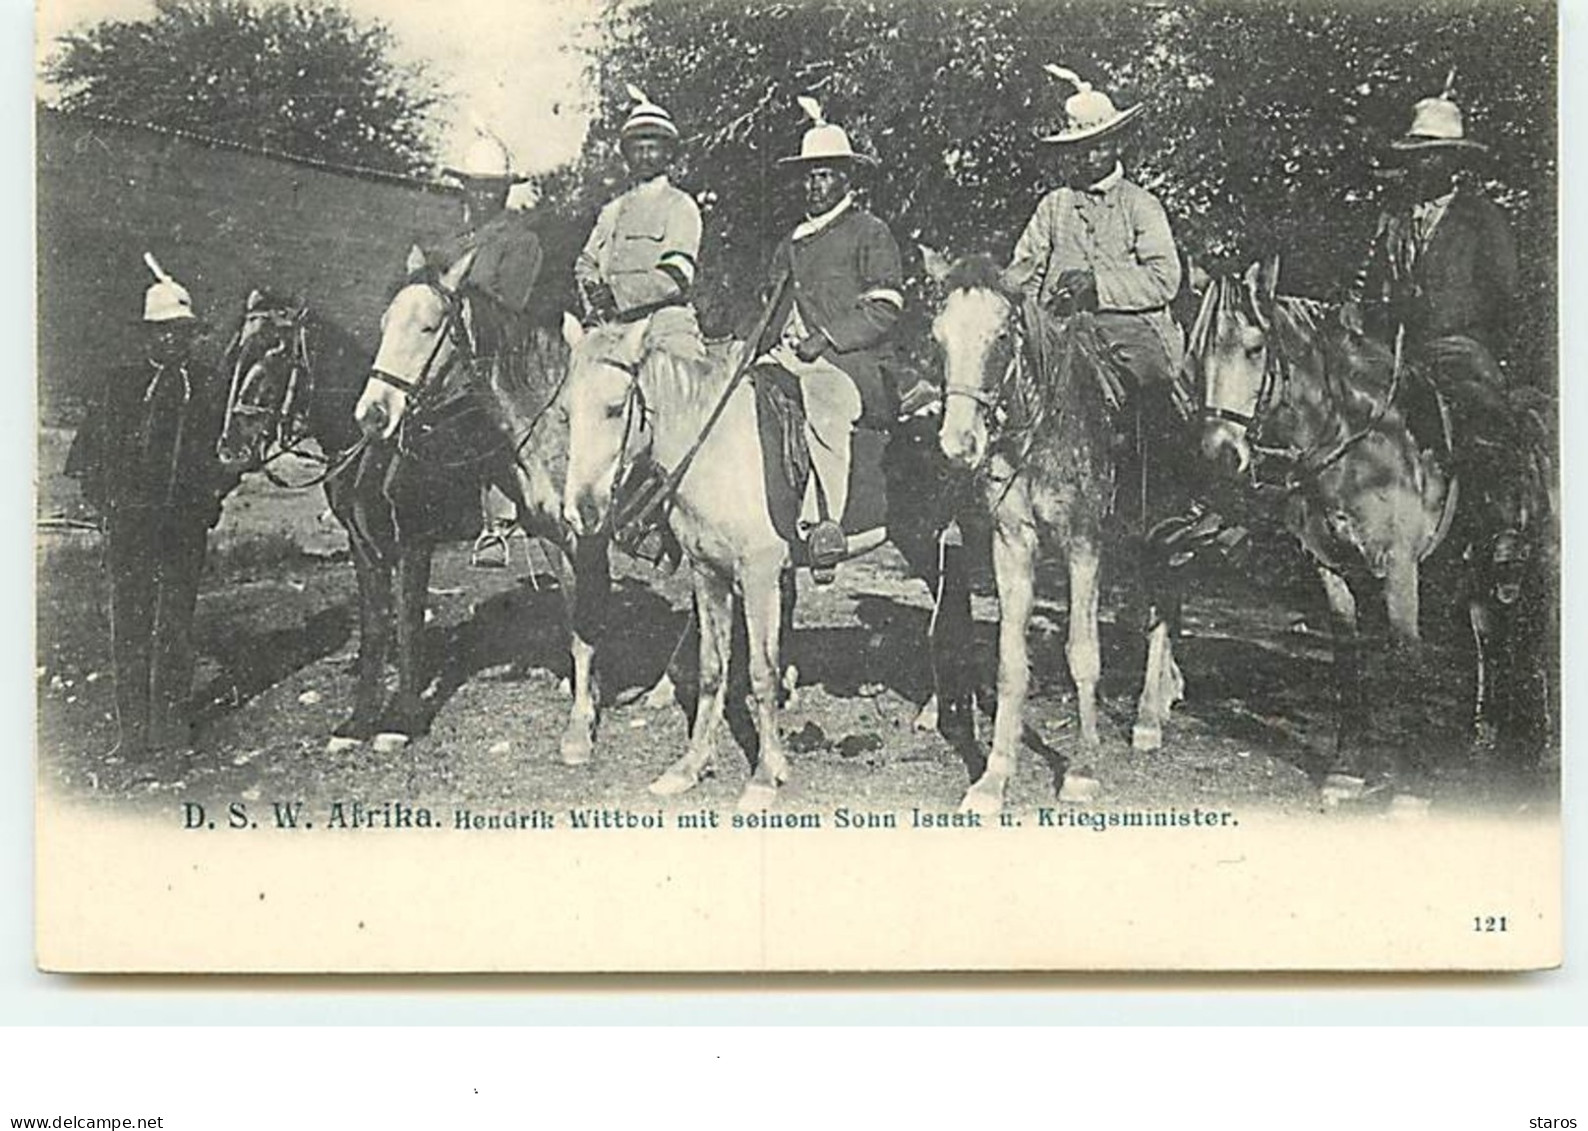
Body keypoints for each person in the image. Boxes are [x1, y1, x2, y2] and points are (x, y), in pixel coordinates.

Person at [65, 255, 235, 761]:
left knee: (176, 624)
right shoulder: (118, 386)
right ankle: (132, 734)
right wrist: (106, 508)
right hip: (131, 527)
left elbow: (225, 457)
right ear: (147, 336)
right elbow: (86, 458)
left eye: (182, 333)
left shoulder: (206, 387)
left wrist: (212, 495)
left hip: (183, 527)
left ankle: (170, 730)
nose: (173, 342)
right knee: (131, 625)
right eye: (163, 332)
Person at [1350, 82, 1524, 557]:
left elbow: (1505, 293)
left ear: (1454, 162)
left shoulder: (1482, 219)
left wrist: (1454, 319)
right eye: (1417, 154)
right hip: (1399, 348)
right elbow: (1372, 287)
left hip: (1460, 345)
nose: (1422, 164)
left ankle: (1501, 525)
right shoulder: (1395, 219)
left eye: (1434, 154)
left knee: (1478, 415)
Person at [753, 96, 905, 582]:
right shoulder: (791, 240)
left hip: (853, 364)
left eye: (824, 174)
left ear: (847, 179)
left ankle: (826, 524)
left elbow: (885, 307)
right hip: (790, 355)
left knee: (823, 396)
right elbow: (769, 308)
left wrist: (825, 338)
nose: (813, 184)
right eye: (808, 175)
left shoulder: (868, 231)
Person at [1003, 65, 1183, 404]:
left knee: (1153, 389)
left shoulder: (1140, 205)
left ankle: (1152, 455)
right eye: (1080, 147)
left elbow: (1164, 278)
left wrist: (1098, 286)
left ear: (1117, 144)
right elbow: (1027, 268)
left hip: (1129, 327)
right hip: (1057, 328)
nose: (1088, 156)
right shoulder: (1055, 205)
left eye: (1098, 145)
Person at [432, 126, 544, 569]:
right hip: (452, 350)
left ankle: (498, 519)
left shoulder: (520, 241)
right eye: (474, 188)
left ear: (504, 192)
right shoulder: (454, 243)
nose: (482, 197)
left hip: (496, 353)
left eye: (491, 189)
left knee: (489, 415)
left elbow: (508, 308)